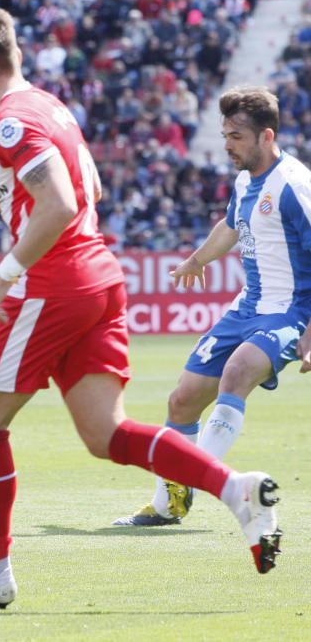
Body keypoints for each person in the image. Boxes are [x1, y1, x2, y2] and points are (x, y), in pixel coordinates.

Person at [0, 8, 282, 610]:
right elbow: (88, 189)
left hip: (51, 283)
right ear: (15, 54)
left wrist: (3, 273)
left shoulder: (8, 121)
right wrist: (1, 198)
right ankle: (233, 488)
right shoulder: (49, 105)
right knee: (105, 434)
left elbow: (60, 204)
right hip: (99, 276)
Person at [114, 86, 311, 527]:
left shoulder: (294, 186)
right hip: (246, 308)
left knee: (237, 372)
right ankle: (169, 505)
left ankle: (201, 477)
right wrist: (196, 259)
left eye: (236, 136)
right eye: (224, 134)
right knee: (183, 401)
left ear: (266, 135)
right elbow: (231, 224)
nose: (227, 145)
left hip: (290, 311)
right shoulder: (245, 181)